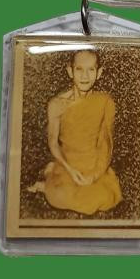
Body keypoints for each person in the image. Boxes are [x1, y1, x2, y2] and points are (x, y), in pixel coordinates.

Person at [28, 50, 122, 214]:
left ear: (99, 73)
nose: (85, 76)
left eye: (91, 69)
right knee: (60, 195)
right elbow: (53, 143)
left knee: (105, 197)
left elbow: (106, 143)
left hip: (93, 164)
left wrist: (94, 175)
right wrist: (70, 170)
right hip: (67, 163)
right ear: (70, 71)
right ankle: (52, 174)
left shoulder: (105, 102)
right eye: (79, 69)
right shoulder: (57, 104)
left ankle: (50, 177)